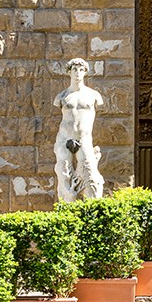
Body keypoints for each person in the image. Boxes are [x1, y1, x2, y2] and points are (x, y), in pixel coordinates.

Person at [54, 58, 104, 201]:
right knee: (64, 175)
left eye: (81, 70)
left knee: (90, 176)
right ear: (69, 72)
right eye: (74, 70)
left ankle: (92, 212)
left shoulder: (93, 95)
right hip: (64, 138)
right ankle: (66, 212)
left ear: (85, 73)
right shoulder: (62, 96)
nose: (78, 73)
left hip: (84, 139)